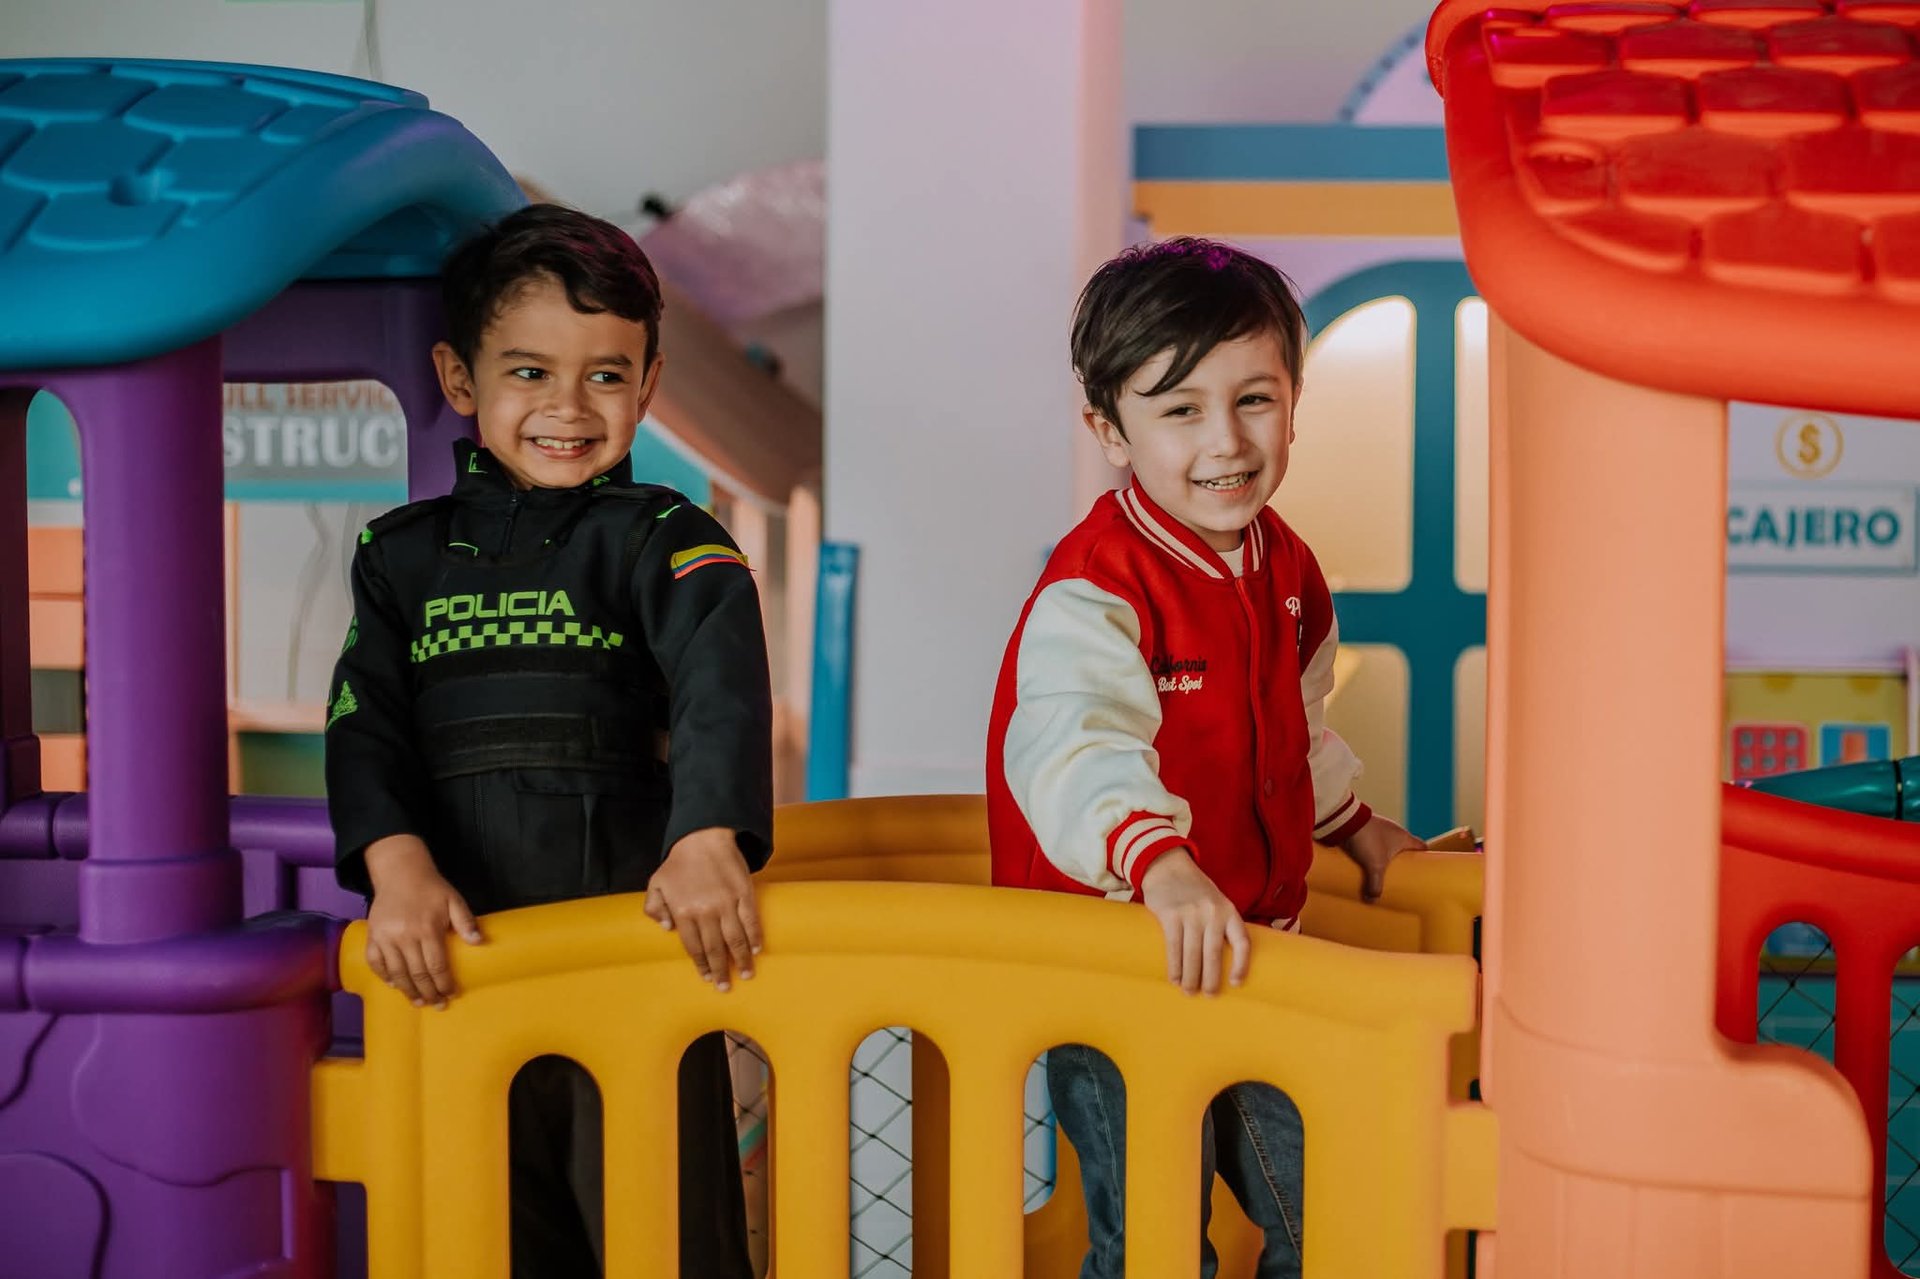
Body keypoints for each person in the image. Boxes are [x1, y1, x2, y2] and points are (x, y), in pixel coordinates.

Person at [324, 203, 768, 1279]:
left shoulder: (667, 538)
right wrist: (397, 868)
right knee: (487, 1237)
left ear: (649, 380)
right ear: (460, 377)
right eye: (529, 372)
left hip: (636, 966)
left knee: (665, 1235)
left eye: (606, 376)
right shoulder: (400, 557)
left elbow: (720, 686)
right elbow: (363, 721)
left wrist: (707, 836)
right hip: (463, 971)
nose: (568, 407)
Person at [986, 236, 1425, 1278]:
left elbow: (1293, 724)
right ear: (1108, 426)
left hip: (1251, 949)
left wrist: (1356, 825)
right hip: (1115, 963)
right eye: (1179, 409)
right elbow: (1074, 744)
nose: (1225, 441)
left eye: (1256, 401)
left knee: (1331, 1209)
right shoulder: (1096, 585)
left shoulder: (1290, 565)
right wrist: (1161, 863)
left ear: (1294, 398)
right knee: (1154, 1243)